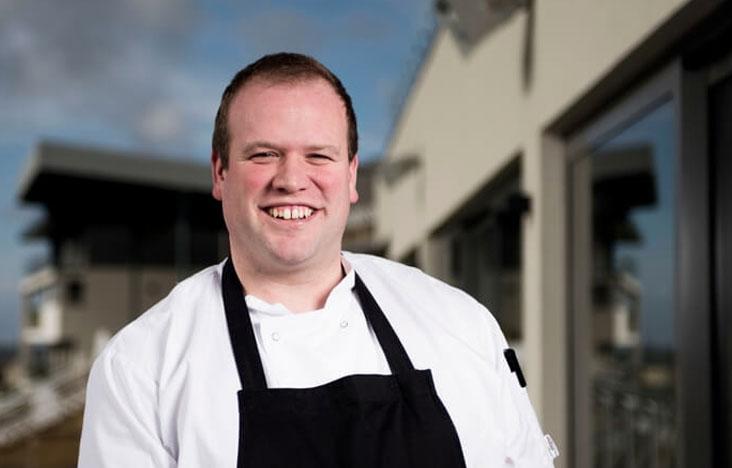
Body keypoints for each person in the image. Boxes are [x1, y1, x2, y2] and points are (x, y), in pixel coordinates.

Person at [78, 53, 557, 467]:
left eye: (319, 156)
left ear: (351, 176)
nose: (291, 179)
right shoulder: (141, 369)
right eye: (263, 154)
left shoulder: (462, 325)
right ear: (220, 172)